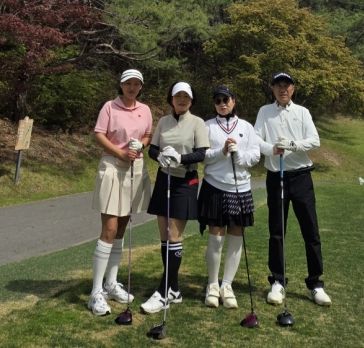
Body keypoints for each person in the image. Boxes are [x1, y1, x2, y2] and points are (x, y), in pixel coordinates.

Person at [254, 71, 332, 307]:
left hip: (301, 177)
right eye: (278, 85)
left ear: (293, 89)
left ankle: (315, 283)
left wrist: (293, 145)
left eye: (286, 85)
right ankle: (278, 281)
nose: (282, 89)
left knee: (311, 231)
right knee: (277, 231)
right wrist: (272, 149)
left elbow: (314, 140)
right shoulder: (264, 112)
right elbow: (255, 139)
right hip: (276, 176)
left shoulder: (302, 112)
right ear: (272, 89)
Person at [140, 81, 210, 315]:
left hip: (185, 182)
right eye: (177, 96)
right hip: (164, 179)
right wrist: (159, 157)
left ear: (191, 100)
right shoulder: (163, 121)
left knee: (173, 235)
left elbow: (201, 153)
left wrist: (180, 158)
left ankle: (163, 292)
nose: (182, 100)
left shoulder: (197, 122)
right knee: (164, 237)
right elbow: (153, 148)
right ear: (171, 98)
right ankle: (175, 288)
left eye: (186, 97)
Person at [88, 69, 153, 316]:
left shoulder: (145, 109)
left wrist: (141, 145)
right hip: (113, 167)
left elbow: (148, 134)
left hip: (135, 168)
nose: (132, 87)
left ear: (141, 86)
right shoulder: (110, 107)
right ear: (121, 84)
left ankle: (111, 283)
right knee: (110, 229)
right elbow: (99, 134)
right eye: (128, 83)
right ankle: (96, 292)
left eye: (136, 84)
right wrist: (121, 152)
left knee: (121, 229)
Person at [199, 85, 260, 309]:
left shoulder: (246, 126)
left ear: (234, 101)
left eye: (226, 99)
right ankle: (212, 284)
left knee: (236, 239)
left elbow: (255, 155)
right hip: (214, 186)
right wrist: (222, 151)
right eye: (218, 100)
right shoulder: (207, 126)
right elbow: (202, 155)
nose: (222, 104)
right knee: (216, 239)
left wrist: (239, 155)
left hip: (240, 188)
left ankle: (227, 285)